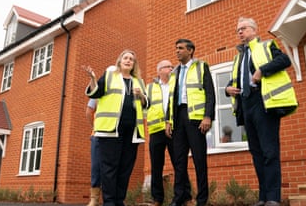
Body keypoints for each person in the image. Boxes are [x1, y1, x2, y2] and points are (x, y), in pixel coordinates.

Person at [225, 17, 297, 206]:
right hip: (245, 105)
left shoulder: (266, 46)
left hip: (263, 102)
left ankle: (273, 197)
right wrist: (228, 89)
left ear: (254, 30)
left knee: (269, 151)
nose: (240, 32)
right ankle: (263, 197)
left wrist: (262, 71)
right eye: (237, 30)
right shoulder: (238, 57)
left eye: (243, 28)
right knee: (256, 152)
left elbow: (285, 60)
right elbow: (234, 80)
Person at [84, 50, 148, 206]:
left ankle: (119, 201)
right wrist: (93, 78)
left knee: (125, 168)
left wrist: (141, 96)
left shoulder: (139, 82)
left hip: (132, 132)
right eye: (125, 58)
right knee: (109, 168)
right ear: (119, 61)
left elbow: (146, 106)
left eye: (131, 59)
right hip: (110, 131)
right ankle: (110, 202)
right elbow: (95, 93)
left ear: (134, 64)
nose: (128, 60)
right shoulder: (109, 76)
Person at [165, 39, 216, 206]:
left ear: (190, 50)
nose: (177, 51)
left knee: (199, 159)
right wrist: (168, 121)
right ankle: (179, 197)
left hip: (195, 119)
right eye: (176, 48)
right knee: (179, 160)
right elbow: (170, 99)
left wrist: (207, 116)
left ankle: (202, 199)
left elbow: (210, 93)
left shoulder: (201, 67)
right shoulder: (174, 73)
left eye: (180, 48)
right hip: (178, 118)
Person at [145, 60, 175, 206]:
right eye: (167, 67)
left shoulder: (176, 84)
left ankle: (183, 196)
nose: (171, 68)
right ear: (159, 71)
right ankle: (157, 199)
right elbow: (144, 108)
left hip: (174, 129)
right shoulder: (149, 88)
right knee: (156, 166)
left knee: (179, 164)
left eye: (172, 66)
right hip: (156, 130)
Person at [86, 98, 101, 206]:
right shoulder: (97, 91)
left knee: (111, 167)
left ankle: (111, 199)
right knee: (96, 167)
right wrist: (94, 127)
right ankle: (94, 199)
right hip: (97, 136)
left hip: (113, 137)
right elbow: (88, 111)